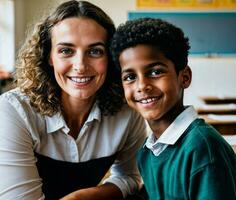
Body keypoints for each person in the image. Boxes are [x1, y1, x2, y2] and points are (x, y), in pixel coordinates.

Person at [0, 1, 147, 199]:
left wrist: (83, 197)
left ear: (111, 57)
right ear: (49, 56)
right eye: (66, 50)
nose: (80, 66)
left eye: (95, 51)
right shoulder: (14, 111)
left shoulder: (127, 111)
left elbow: (130, 176)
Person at [110, 18, 236, 200]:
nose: (142, 86)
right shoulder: (147, 151)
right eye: (130, 77)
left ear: (184, 77)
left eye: (155, 72)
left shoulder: (202, 149)